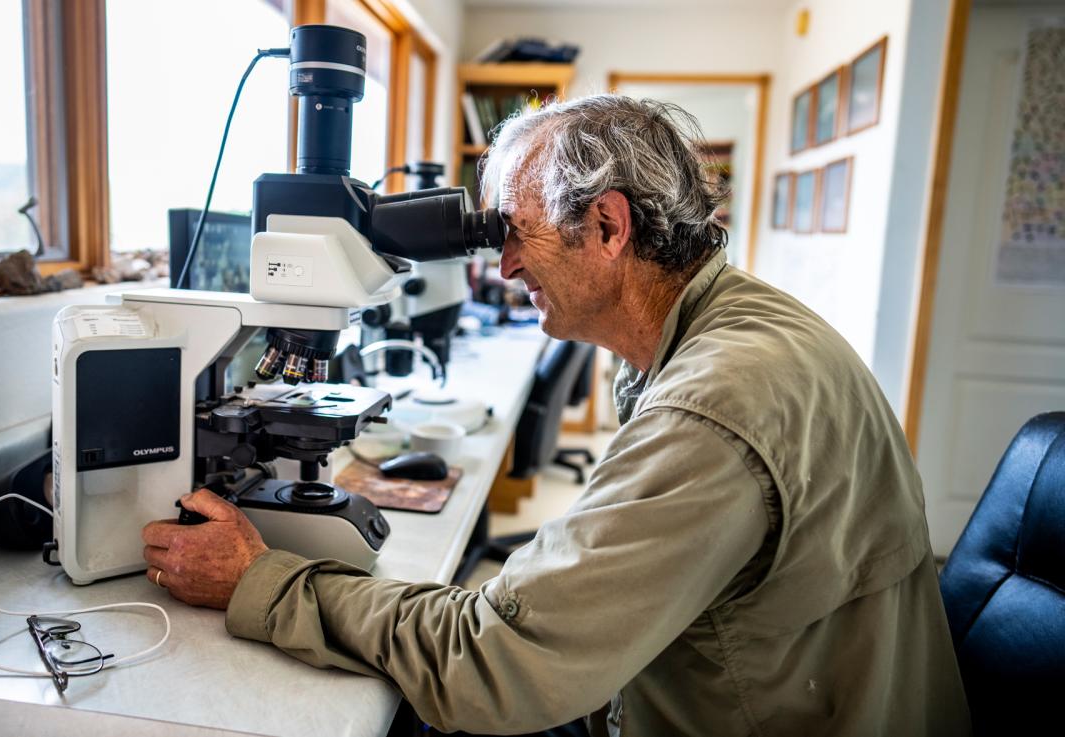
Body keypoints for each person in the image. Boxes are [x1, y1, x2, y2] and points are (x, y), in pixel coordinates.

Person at [142, 95, 971, 736]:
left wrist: (262, 580)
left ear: (607, 225)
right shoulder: (739, 323)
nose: (500, 266)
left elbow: (493, 662)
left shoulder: (716, 401)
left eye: (515, 232)